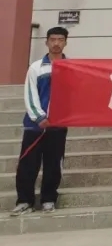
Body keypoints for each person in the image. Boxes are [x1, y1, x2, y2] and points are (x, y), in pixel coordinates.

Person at [12, 26, 69, 215]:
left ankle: (48, 199)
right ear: (46, 42)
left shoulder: (71, 68)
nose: (56, 43)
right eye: (53, 39)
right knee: (28, 164)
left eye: (60, 40)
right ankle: (24, 201)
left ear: (65, 42)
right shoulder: (36, 67)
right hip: (35, 127)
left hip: (57, 127)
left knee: (53, 165)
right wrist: (39, 117)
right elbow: (30, 94)